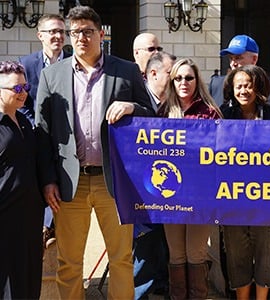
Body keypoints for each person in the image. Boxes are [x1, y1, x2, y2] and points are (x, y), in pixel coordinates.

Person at [35, 6, 155, 299]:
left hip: (112, 181)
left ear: (101, 34)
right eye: (75, 32)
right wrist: (48, 179)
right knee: (69, 262)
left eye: (88, 32)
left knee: (122, 259)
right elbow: (42, 133)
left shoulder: (124, 71)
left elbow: (150, 116)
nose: (81, 38)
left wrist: (131, 108)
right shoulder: (52, 76)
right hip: (68, 183)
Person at [157, 58, 222, 299]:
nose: (184, 82)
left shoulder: (210, 112)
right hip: (170, 194)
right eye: (178, 78)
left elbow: (221, 154)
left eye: (189, 78)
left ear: (197, 81)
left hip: (200, 195)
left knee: (196, 254)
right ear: (172, 81)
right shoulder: (163, 112)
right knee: (176, 255)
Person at [221, 64, 270, 300]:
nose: (243, 90)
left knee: (265, 252)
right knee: (237, 253)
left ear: (258, 87)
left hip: (267, 199)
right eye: (239, 86)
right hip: (232, 198)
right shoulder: (223, 116)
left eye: (248, 85)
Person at [19, 14, 71, 249]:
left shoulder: (74, 61)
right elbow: (22, 104)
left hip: (68, 139)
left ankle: (55, 229)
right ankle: (44, 228)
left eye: (61, 31)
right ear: (40, 36)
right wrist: (38, 126)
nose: (58, 36)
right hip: (36, 138)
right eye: (52, 32)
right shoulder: (27, 65)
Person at [132, 51, 177, 300]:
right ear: (153, 73)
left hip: (172, 188)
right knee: (144, 247)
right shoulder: (132, 100)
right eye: (171, 74)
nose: (177, 80)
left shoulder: (176, 103)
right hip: (140, 191)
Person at [0, 60, 45, 299]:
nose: (23, 93)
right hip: (4, 218)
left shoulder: (25, 122)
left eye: (25, 88)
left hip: (29, 218)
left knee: (28, 278)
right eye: (16, 89)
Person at [210, 34, 270, 107]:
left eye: (238, 58)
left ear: (254, 59)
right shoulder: (216, 85)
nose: (233, 63)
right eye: (231, 58)